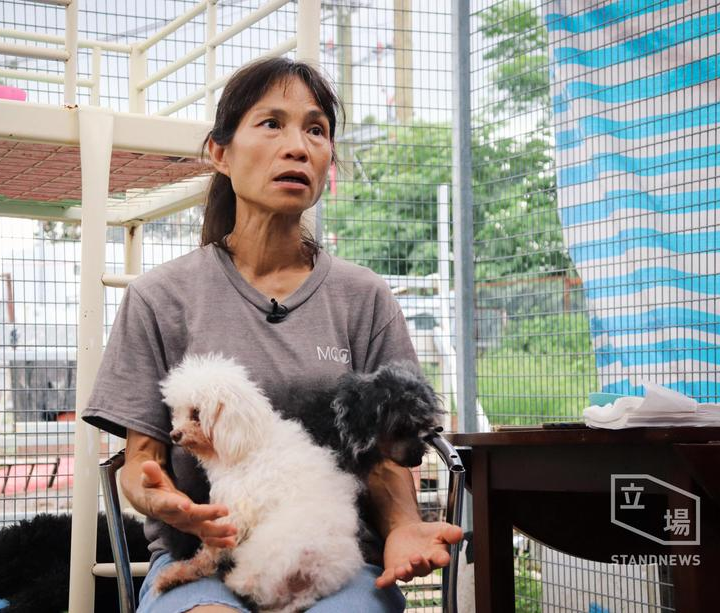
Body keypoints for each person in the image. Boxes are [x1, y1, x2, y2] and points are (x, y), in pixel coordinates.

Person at [83, 56, 463, 613]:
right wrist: (159, 499)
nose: (298, 147)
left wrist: (404, 526)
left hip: (330, 557)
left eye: (316, 130)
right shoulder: (160, 298)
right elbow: (143, 462)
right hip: (204, 557)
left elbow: (384, 453)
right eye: (271, 124)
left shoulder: (363, 298)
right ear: (220, 153)